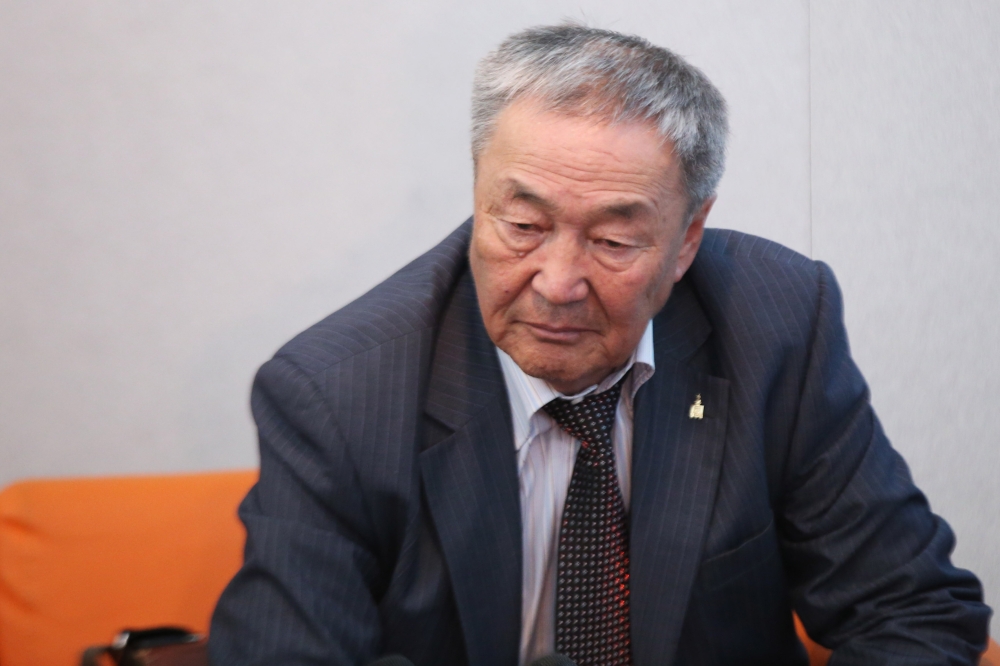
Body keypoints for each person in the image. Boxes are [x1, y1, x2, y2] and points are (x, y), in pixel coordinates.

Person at [208, 24, 990, 666]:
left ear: (686, 239)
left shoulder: (777, 324)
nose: (556, 282)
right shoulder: (338, 392)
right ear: (479, 193)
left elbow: (913, 611)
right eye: (522, 225)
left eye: (614, 239)